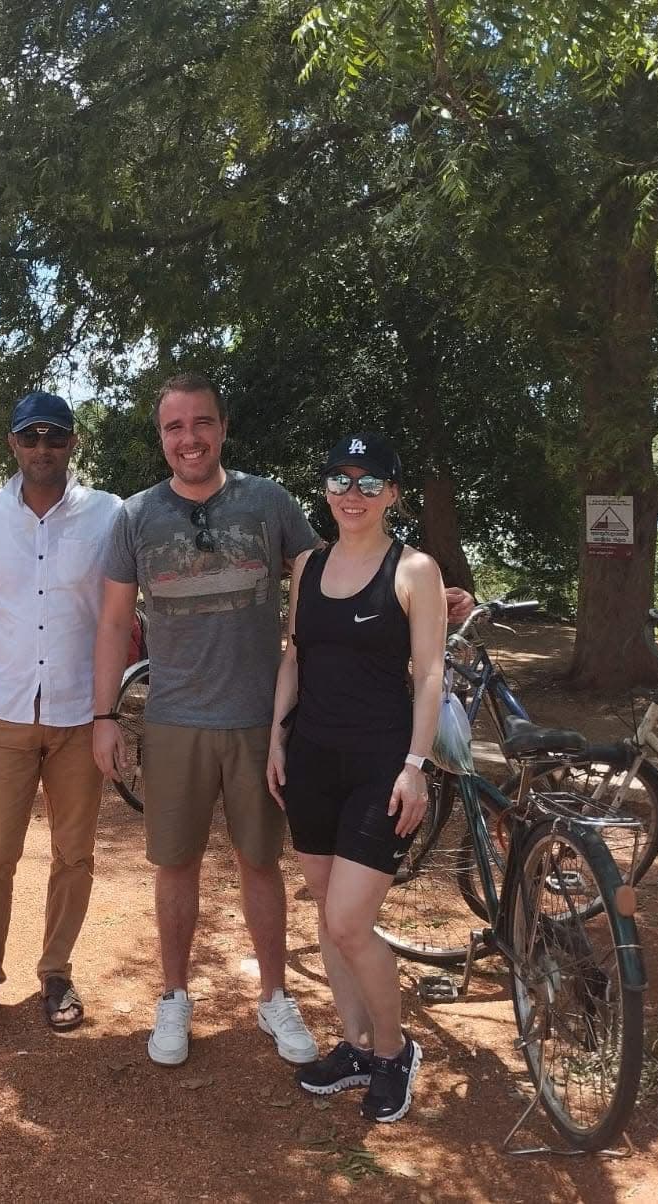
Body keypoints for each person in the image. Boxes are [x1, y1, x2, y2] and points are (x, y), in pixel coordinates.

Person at [92, 372, 321, 1068]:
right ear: (161, 437)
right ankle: (173, 996)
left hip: (259, 722)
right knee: (175, 864)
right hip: (174, 719)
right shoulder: (135, 516)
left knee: (261, 862)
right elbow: (113, 622)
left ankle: (275, 995)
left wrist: (417, 588)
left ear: (222, 428)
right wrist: (104, 714)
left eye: (201, 423)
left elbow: (324, 578)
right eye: (174, 427)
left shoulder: (269, 501)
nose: (188, 438)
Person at [267, 433, 445, 1123]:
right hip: (311, 759)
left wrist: (416, 766)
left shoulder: (414, 570)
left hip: (381, 766)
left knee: (348, 920)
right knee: (325, 907)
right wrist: (275, 739)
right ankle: (355, 1044)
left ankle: (395, 1051)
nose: (353, 493)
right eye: (340, 479)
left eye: (370, 482)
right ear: (325, 488)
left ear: (392, 494)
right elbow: (294, 655)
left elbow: (429, 676)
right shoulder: (307, 564)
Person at [0, 392, 121, 1033]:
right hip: (7, 712)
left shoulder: (109, 514)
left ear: (73, 442)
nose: (43, 447)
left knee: (74, 855)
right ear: (13, 444)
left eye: (55, 435)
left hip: (81, 713)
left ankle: (56, 972)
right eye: (31, 436)